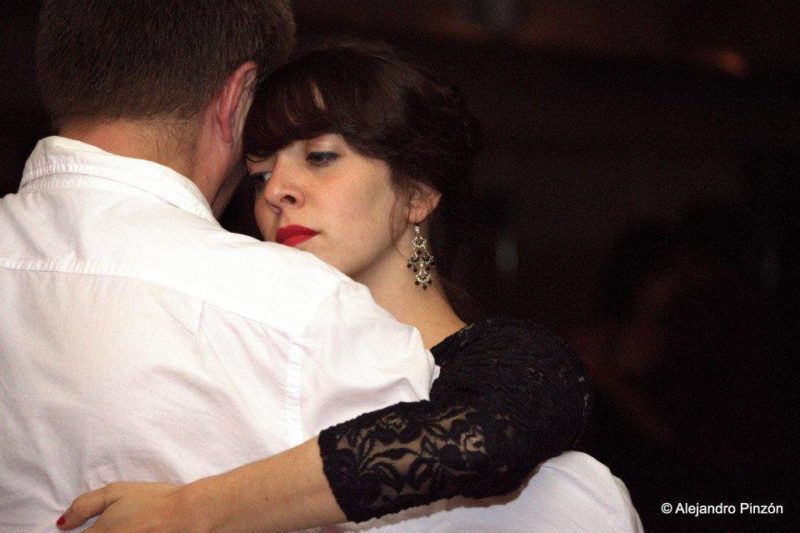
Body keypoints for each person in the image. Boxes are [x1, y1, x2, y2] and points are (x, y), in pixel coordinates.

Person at [60, 42, 641, 532]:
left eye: (319, 156)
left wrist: (189, 511)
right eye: (260, 172)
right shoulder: (242, 354)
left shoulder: (507, 362)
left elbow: (483, 437)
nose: (276, 191)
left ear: (417, 194)